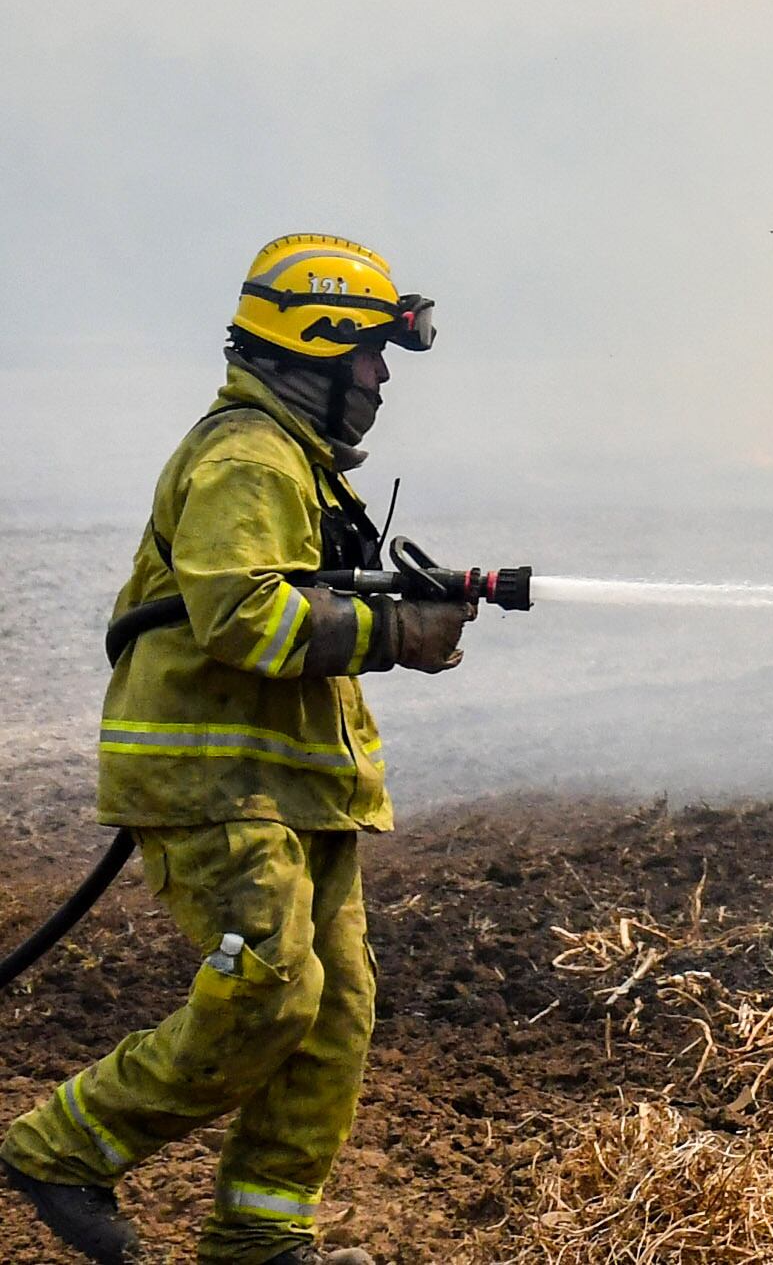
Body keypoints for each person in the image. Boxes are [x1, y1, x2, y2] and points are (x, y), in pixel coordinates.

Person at [3, 237, 471, 1265]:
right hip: (215, 784)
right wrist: (395, 635)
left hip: (295, 789)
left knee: (335, 1014)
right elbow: (240, 618)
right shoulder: (247, 458)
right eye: (371, 357)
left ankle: (259, 1240)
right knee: (269, 992)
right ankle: (61, 1146)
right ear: (320, 347)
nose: (383, 380)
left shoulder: (293, 464)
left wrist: (403, 610)